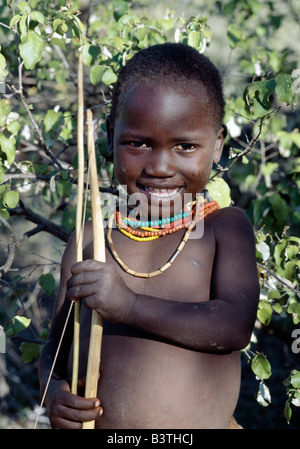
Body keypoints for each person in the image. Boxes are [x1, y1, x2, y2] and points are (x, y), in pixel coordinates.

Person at [38, 43, 260, 429]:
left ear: (218, 145)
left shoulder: (225, 228)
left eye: (185, 146)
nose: (159, 167)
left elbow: (233, 326)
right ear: (111, 136)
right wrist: (53, 394)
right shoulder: (90, 239)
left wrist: (128, 306)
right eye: (138, 143)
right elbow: (55, 351)